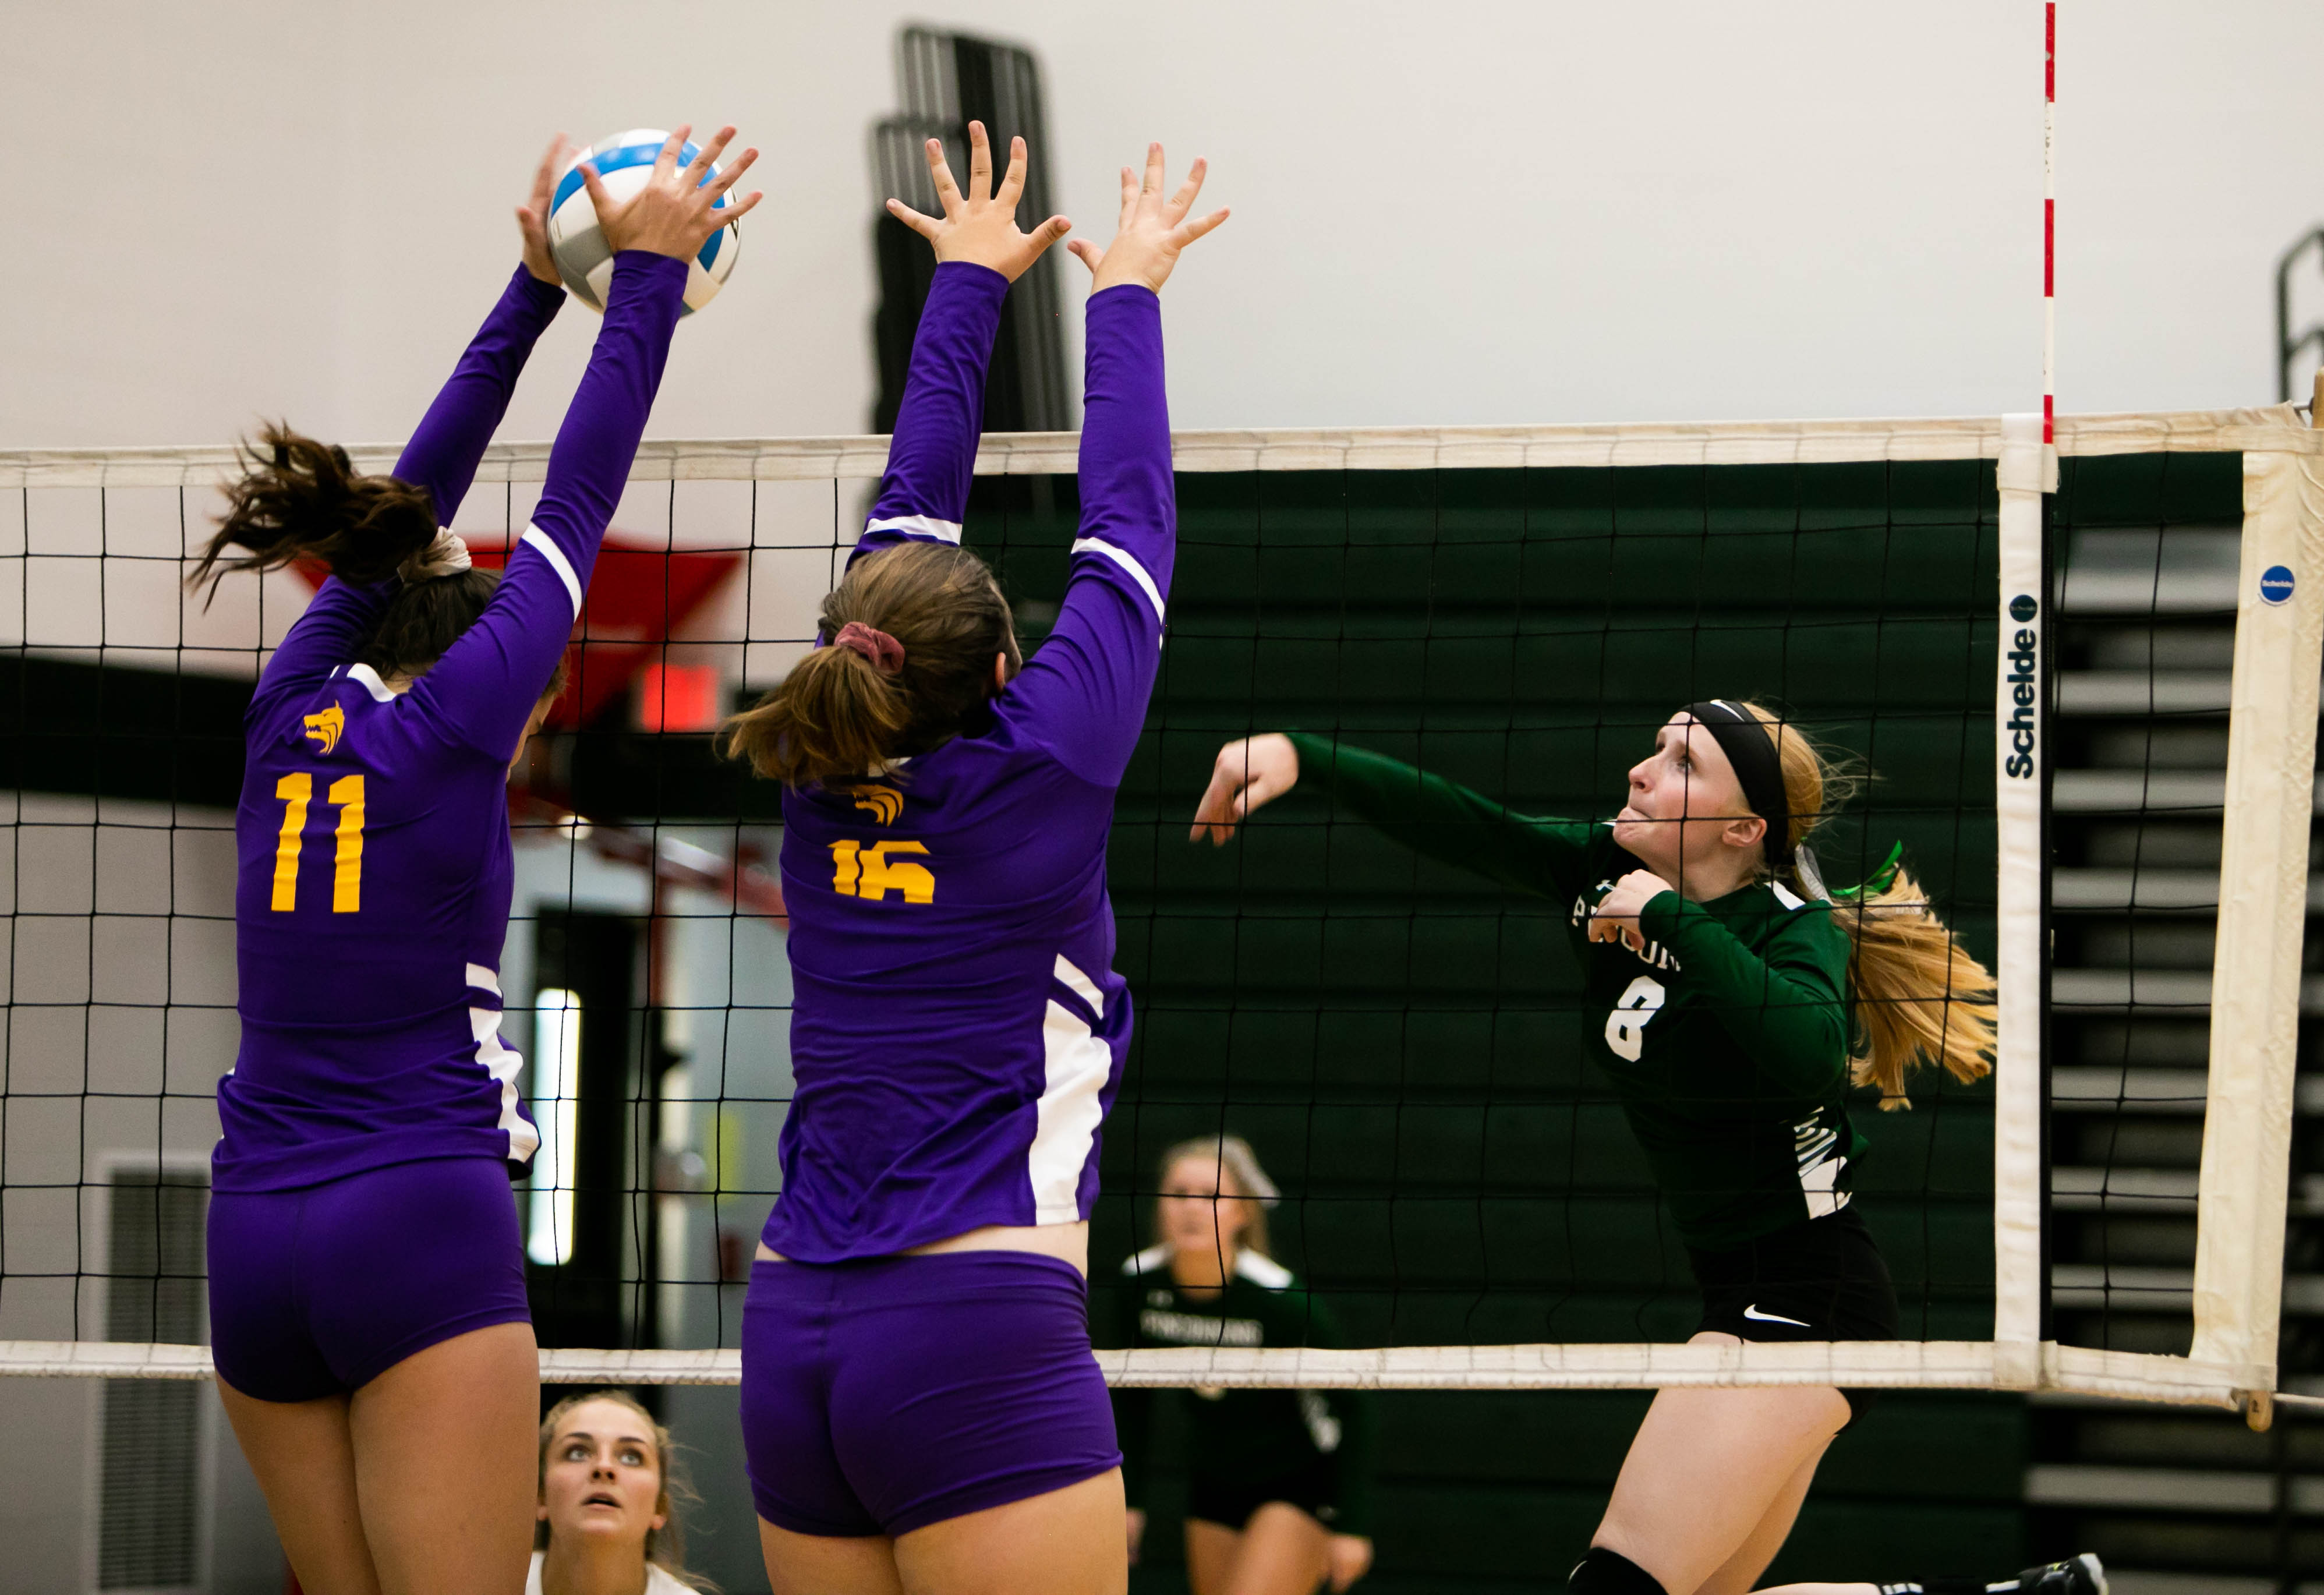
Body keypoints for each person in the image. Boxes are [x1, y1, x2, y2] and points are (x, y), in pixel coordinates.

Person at [193, 129, 759, 1595]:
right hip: (412, 1215)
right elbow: (581, 490)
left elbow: (402, 510)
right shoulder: (461, 732)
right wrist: (643, 281)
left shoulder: (283, 712)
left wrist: (526, 295)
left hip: (255, 1224)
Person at [1188, 712, 2104, 1595]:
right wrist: (1305, 756)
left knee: (1616, 1583)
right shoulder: (1600, 866)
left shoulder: (1787, 927)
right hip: (1748, 1288)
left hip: (1805, 1296)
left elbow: (1808, 1053)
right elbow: (1470, 825)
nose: (1639, 768)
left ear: (1741, 829)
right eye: (1656, 747)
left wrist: (1669, 915)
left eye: (1680, 762)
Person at [715, 123, 1224, 1595]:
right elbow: (1124, 514)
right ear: (1005, 666)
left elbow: (908, 532)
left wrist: (973, 285)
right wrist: (1117, 287)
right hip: (974, 1327)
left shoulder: (818, 764)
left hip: (795, 1328)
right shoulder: (1047, 759)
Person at [1105, 1136, 1374, 1595]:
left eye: (1211, 1195)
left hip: (1296, 1487)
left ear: (1243, 1212)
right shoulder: (1137, 1284)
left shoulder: (1279, 1300)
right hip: (1213, 1485)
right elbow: (1128, 1401)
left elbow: (1351, 1407)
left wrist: (1353, 1522)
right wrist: (1128, 1501)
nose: (1193, 1208)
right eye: (1179, 1193)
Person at [532, 1389, 708, 1595]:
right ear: (540, 1495)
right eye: (577, 1453)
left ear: (659, 1507)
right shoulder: (489, 1587)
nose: (604, 1467)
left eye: (631, 1457)